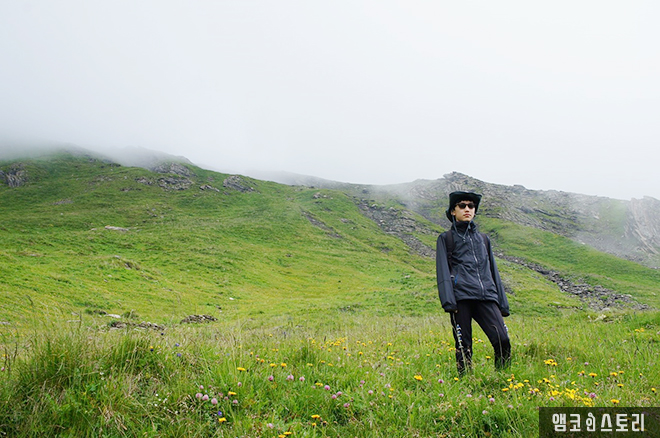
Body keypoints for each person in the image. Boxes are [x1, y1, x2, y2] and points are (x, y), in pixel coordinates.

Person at [436, 191, 511, 375]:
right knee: (464, 347)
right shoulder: (446, 238)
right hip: (461, 298)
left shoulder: (484, 239)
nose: (467, 209)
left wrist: (502, 303)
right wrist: (449, 302)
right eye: (462, 206)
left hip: (487, 296)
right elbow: (442, 271)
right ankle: (465, 382)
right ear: (453, 211)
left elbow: (493, 270)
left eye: (471, 206)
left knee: (503, 340)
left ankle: (502, 379)